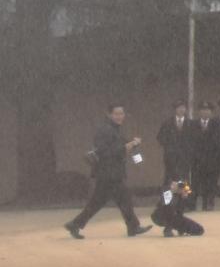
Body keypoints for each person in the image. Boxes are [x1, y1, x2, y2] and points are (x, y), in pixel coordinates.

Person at [65, 103, 152, 238]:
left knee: (108, 201)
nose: (119, 116)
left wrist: (134, 145)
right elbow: (106, 151)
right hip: (108, 173)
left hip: (112, 172)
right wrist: (129, 145)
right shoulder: (105, 130)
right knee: (118, 200)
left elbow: (124, 145)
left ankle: (75, 224)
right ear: (109, 114)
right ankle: (133, 227)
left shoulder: (116, 129)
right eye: (116, 114)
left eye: (121, 113)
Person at [191, 99, 220, 211]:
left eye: (208, 110)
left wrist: (216, 157)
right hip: (197, 159)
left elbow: (219, 142)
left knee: (211, 182)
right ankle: (192, 203)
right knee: (195, 182)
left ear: (211, 112)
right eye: (203, 110)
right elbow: (191, 142)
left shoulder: (217, 125)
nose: (205, 112)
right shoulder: (193, 124)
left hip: (212, 159)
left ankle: (209, 202)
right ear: (199, 112)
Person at [157, 100, 194, 185]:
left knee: (184, 180)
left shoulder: (190, 124)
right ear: (175, 109)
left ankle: (184, 198)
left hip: (185, 158)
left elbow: (194, 140)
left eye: (183, 107)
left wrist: (189, 151)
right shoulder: (167, 123)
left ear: (186, 109)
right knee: (169, 180)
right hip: (171, 158)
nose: (181, 110)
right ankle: (167, 198)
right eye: (179, 107)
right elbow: (160, 138)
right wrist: (170, 147)